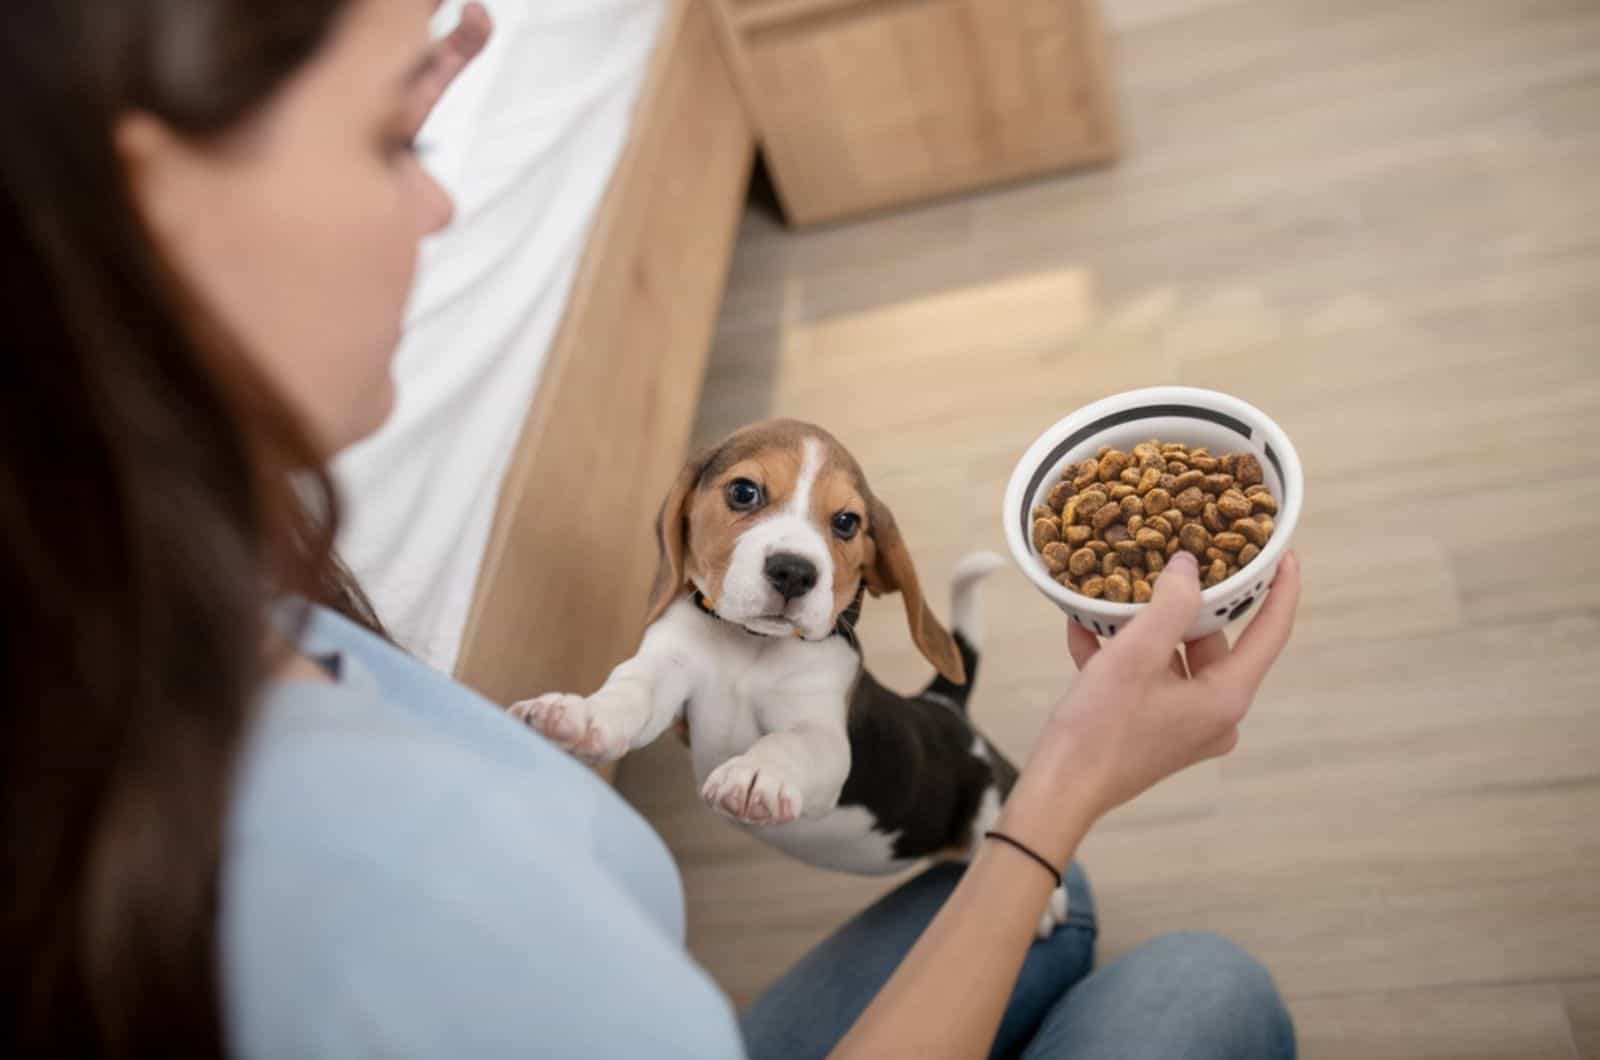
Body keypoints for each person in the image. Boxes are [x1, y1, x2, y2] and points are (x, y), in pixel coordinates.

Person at [0, 0, 1304, 1056]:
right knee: (1204, 990)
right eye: (399, 139)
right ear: (153, 199)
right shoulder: (379, 896)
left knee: (1060, 911)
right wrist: (1070, 786)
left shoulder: (219, 588)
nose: (445, 207)